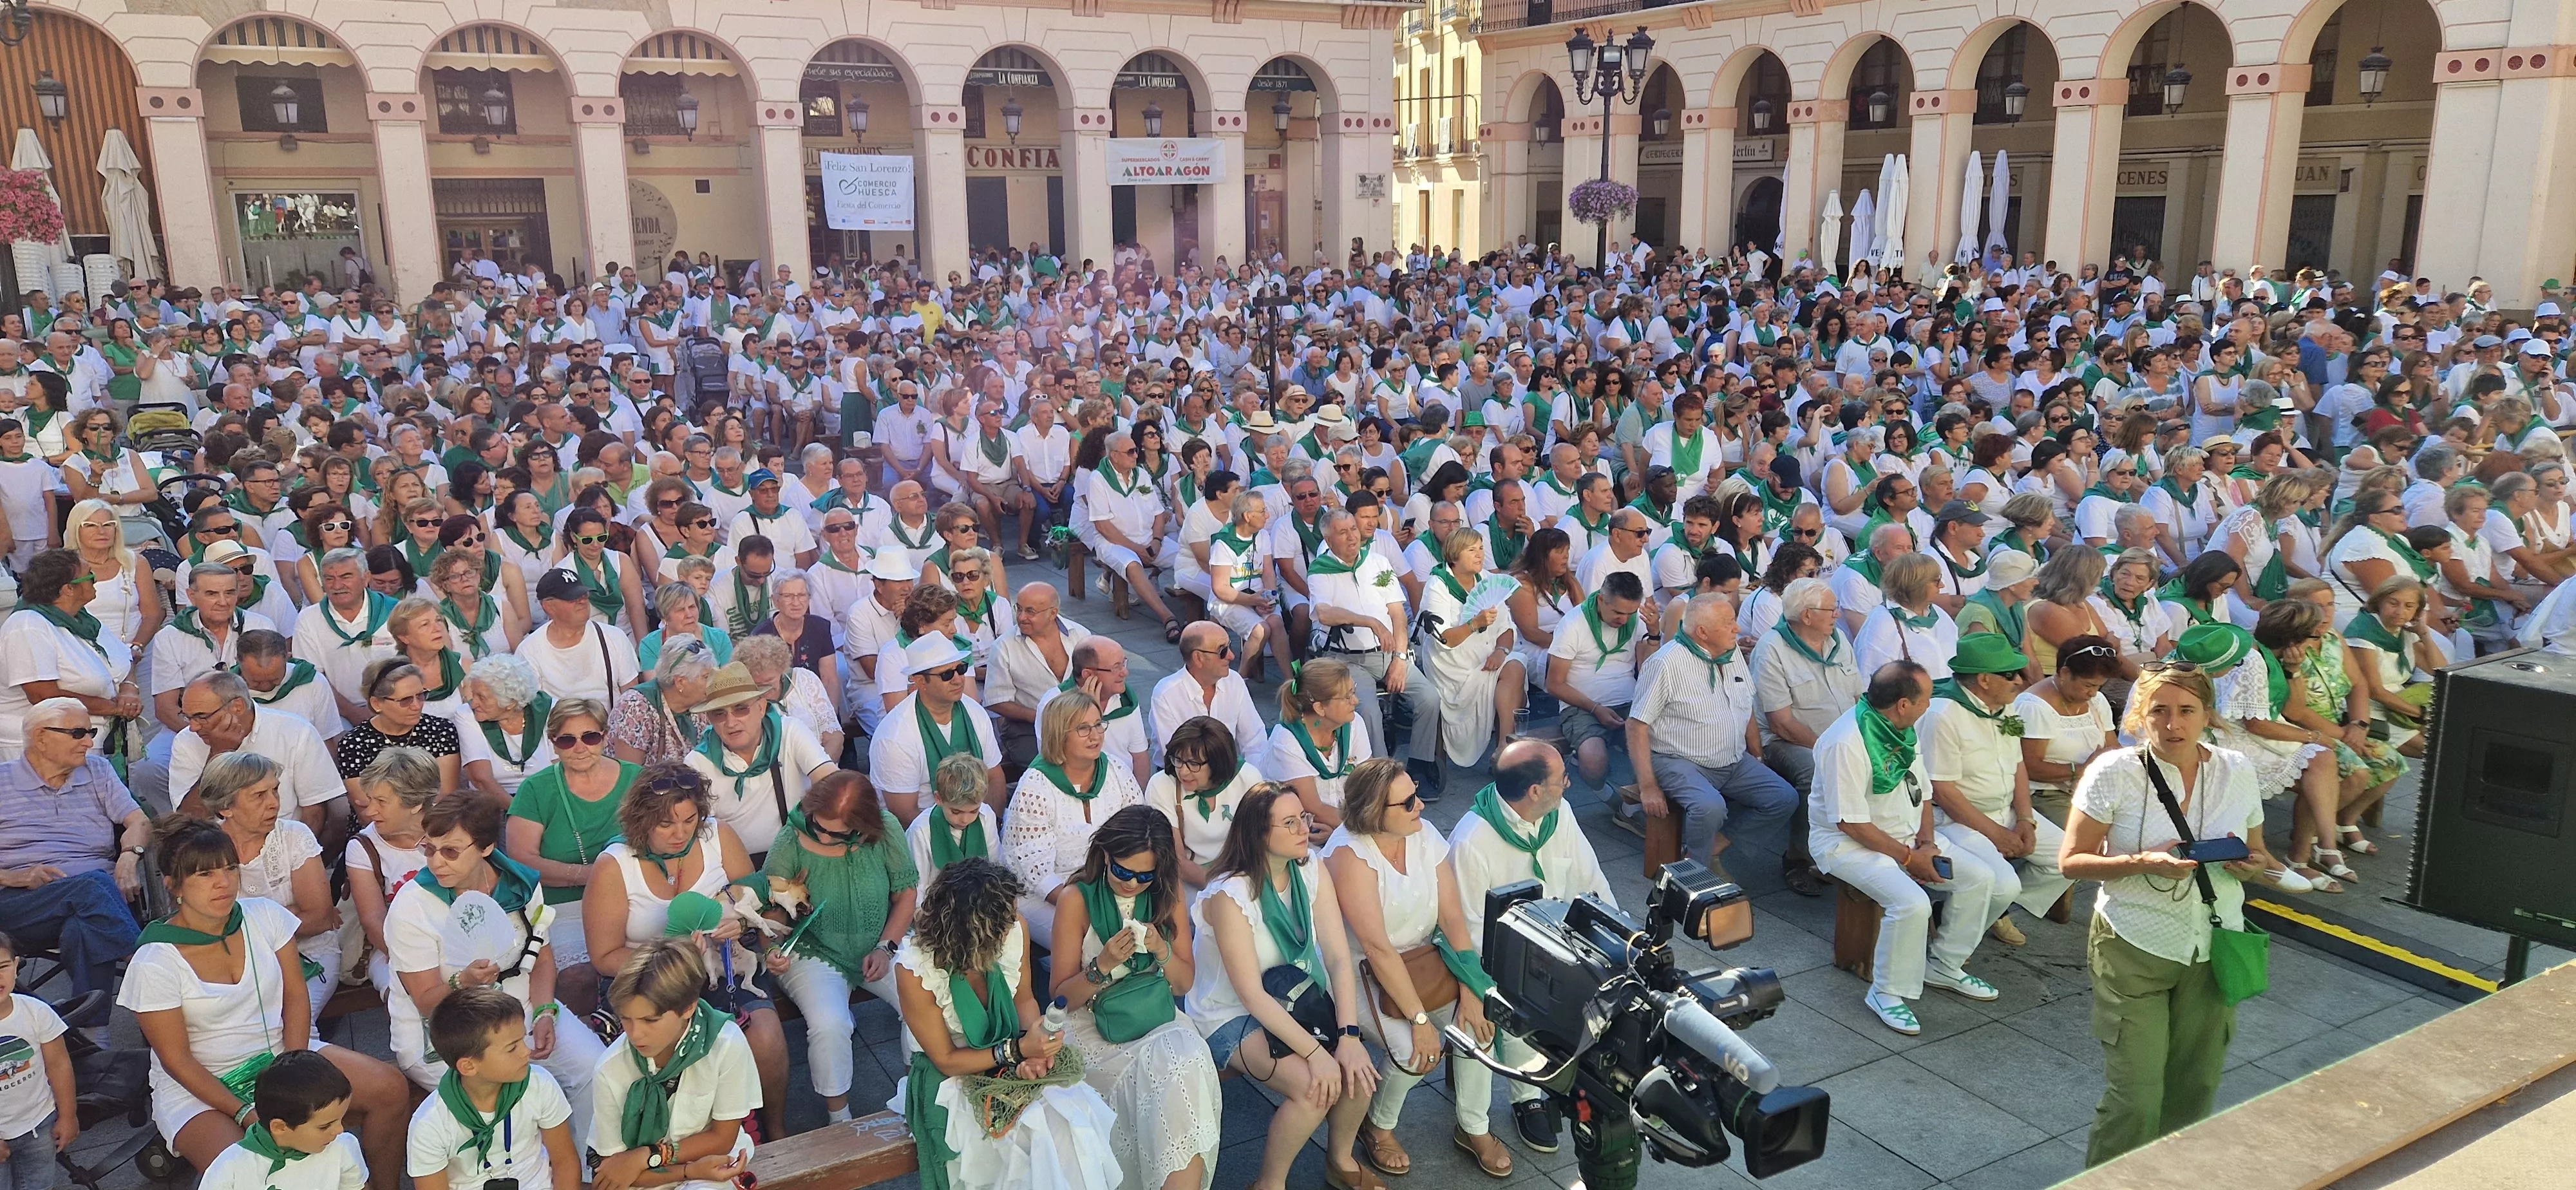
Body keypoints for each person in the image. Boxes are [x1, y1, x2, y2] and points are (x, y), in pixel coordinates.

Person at [2061, 663, 2279, 1166]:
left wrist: (2252, 866)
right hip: (2133, 944)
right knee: (2135, 1099)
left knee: (2194, 1091)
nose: (2173, 725)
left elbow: (2258, 851)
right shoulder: (2113, 772)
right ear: (2140, 714)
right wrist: (2142, 861)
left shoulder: (2236, 769)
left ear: (2209, 715)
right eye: (2159, 711)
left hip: (2211, 948)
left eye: (2186, 711)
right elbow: (2072, 861)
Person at [118, 817, 408, 1188]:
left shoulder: (264, 915)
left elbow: (296, 998)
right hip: (201, 1087)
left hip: (282, 1056)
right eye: (205, 874)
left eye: (230, 869)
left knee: (390, 1089)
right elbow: (177, 1061)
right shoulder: (154, 961)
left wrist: (297, 1069)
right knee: (249, 1169)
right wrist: (245, 1112)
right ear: (173, 884)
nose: (223, 883)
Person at [1182, 783, 1381, 1190]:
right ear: (1259, 834)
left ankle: (1339, 1160)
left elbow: (1340, 957)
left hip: (1293, 994)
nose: (1303, 830)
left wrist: (1348, 1036)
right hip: (1230, 1012)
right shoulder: (1231, 895)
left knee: (1357, 1067)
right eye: (1289, 823)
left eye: (1303, 819)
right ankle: (1269, 1184)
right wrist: (1315, 1053)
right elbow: (1250, 995)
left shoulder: (1309, 866)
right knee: (1313, 1088)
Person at [383, 790, 605, 1153]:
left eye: (451, 851)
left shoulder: (519, 883)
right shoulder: (413, 905)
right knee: (515, 1097)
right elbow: (425, 1001)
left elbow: (542, 959)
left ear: (486, 848)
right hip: (448, 1031)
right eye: (429, 850)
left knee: (594, 1069)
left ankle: (582, 1168)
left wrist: (547, 1013)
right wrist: (462, 982)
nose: (437, 862)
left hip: (523, 1009)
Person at [1324, 758, 1511, 1178]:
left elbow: (1454, 920)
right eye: (1408, 802)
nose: (1421, 806)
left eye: (1417, 795)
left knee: (1480, 1025)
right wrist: (1421, 1019)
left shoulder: (1422, 834)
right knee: (1414, 1051)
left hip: (1425, 961)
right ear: (1375, 812)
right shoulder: (1349, 856)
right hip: (1361, 973)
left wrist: (1470, 989)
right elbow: (1377, 949)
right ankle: (1378, 1126)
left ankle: (1474, 1127)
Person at [582, 764, 790, 1141]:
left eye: (690, 820)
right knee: (668, 1043)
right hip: (647, 981)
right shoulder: (615, 865)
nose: (680, 833)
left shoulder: (718, 837)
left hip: (722, 964)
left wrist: (743, 927)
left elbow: (752, 903)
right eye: (665, 824)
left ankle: (776, 1131)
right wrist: (668, 957)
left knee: (765, 1034)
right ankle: (684, 1139)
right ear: (642, 820)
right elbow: (604, 956)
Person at [1807, 661, 2011, 1034]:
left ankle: (1945, 965)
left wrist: (1928, 843)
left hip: (1909, 837)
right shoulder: (1846, 742)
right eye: (1927, 699)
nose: (1930, 706)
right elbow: (1849, 822)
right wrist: (1907, 858)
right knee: (1912, 903)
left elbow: (1924, 795)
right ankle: (1885, 992)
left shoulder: (1903, 729)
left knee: (1987, 880)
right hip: (1849, 846)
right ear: (1903, 704)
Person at [898, 856, 1121, 1190]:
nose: (1011, 927)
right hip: (952, 1075)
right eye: (1000, 925)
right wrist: (1016, 1051)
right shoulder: (914, 968)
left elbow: (1024, 1001)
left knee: (1074, 1121)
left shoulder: (1014, 928)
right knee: (1031, 1138)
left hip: (1009, 1053)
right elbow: (945, 1059)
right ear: (971, 933)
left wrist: (1037, 1045)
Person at [1044, 805, 1225, 1190]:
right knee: (1172, 1068)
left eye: (1145, 876)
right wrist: (1102, 965)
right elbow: (1060, 1000)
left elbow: (1183, 985)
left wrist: (1161, 949)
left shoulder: (1166, 894)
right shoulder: (1076, 899)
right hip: (1093, 1025)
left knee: (1185, 1060)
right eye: (1122, 871)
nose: (1131, 884)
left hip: (1155, 1013)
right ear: (1105, 855)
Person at [1446, 740, 1613, 1153]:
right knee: (1514, 1004)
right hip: (1491, 956)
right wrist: (1483, 987)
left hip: (1555, 942)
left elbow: (1589, 880)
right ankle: (1501, 1111)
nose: (1569, 785)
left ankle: (1535, 1088)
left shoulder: (1561, 814)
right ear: (1535, 791)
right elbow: (1464, 928)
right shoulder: (1472, 840)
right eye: (1562, 780)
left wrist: (1616, 942)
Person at [756, 770, 916, 1124]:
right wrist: (771, 950)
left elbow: (906, 893)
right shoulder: (792, 838)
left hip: (879, 940)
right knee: (830, 1023)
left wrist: (886, 947)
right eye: (819, 825)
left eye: (837, 832)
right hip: (813, 949)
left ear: (864, 825)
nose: (824, 835)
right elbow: (770, 907)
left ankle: (914, 1092)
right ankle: (839, 1118)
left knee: (924, 1000)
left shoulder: (886, 828)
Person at [1627, 593, 1798, 875]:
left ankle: (1717, 845)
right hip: (1677, 760)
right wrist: (1648, 787)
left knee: (1783, 798)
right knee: (1710, 807)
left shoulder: (1732, 656)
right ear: (1703, 633)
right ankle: (1696, 872)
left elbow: (1747, 709)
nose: (1738, 629)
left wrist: (1756, 754)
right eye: (1729, 623)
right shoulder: (1666, 663)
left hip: (1732, 759)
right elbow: (1636, 725)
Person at [1925, 633, 2075, 948]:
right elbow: (1943, 792)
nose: (2021, 680)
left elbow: (2018, 764)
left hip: (2005, 810)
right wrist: (1997, 834)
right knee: (2000, 883)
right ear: (1983, 680)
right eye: (2010, 674)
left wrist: (2025, 819)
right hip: (1959, 821)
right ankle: (1956, 938)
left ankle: (1984, 914)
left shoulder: (2003, 706)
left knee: (2068, 859)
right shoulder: (1943, 715)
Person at [585, 942, 762, 1190]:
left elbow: (722, 1139)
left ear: (689, 1007)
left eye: (651, 1020)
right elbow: (616, 1172)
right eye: (626, 1019)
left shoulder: (725, 1042)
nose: (636, 1035)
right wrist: (685, 1171)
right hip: (650, 1179)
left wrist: (646, 1156)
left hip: (709, 1168)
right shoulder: (610, 1068)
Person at [504, 697, 636, 1014]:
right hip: (565, 905)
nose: (580, 747)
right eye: (567, 740)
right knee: (578, 976)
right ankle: (581, 1039)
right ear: (554, 744)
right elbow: (522, 861)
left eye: (591, 737)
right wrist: (592, 875)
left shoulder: (638, 779)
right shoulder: (537, 789)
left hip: (633, 896)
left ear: (606, 736)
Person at [187, 753, 343, 1014]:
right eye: (259, 796)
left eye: (275, 791)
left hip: (307, 957)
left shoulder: (294, 837)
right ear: (226, 808)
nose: (274, 804)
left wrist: (237, 927)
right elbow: (198, 926)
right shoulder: (203, 847)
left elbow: (319, 918)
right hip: (231, 965)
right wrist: (286, 917)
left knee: (293, 1026)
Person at [1748, 577, 1863, 897]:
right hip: (1787, 742)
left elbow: (1859, 698)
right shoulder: (1772, 649)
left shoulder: (1838, 641)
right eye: (1831, 609)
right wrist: (1830, 749)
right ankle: (1797, 857)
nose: (1837, 615)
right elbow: (1781, 723)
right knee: (1815, 772)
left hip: (1841, 738)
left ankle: (1852, 852)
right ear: (1807, 616)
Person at [406, 986, 583, 1190]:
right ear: (469, 1066)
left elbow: (565, 1162)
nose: (527, 1051)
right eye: (512, 1048)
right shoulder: (429, 1124)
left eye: (523, 1040)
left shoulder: (539, 1084)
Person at [1004, 690, 1148, 940]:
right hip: (1049, 894)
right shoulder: (1036, 785)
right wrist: (1091, 908)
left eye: (1098, 725)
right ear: (1059, 735)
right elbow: (1035, 873)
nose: (1095, 736)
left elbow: (1139, 835)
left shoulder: (1116, 771)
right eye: (1083, 729)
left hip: (1117, 883)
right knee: (1093, 938)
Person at [683, 662, 837, 858]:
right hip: (735, 865)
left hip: (801, 853)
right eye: (719, 713)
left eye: (740, 709)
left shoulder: (789, 732)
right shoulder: (698, 763)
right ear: (709, 719)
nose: (731, 722)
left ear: (762, 707)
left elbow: (831, 783)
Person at [0, 547, 138, 762]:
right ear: (68, 590)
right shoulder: (27, 626)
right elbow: (43, 696)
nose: (95, 579)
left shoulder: (82, 619)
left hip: (92, 744)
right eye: (89, 574)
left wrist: (129, 692)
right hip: (42, 751)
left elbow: (125, 659)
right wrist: (114, 708)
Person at [1545, 570, 1660, 792]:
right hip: (1582, 707)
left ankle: (1635, 804)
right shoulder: (1573, 624)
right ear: (1601, 599)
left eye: (1630, 613)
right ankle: (1608, 796)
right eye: (1617, 612)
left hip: (1630, 701)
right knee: (1595, 763)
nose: (1624, 619)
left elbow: (1647, 670)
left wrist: (1654, 635)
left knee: (1660, 750)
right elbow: (1554, 684)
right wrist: (1596, 709)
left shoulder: (1634, 620)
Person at [869, 636, 1003, 820]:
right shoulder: (895, 736)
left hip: (979, 822)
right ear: (921, 682)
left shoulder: (975, 712)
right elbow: (905, 814)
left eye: (961, 669)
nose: (958, 680)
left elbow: (994, 777)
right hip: (924, 835)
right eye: (946, 675)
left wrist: (989, 825)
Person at [196, 1052, 365, 1190]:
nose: (339, 1130)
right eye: (325, 1126)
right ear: (279, 1127)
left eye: (340, 1119)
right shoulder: (229, 1169)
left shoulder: (343, 1147)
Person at [346, 748, 437, 997]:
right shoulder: (364, 847)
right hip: (392, 950)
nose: (370, 811)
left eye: (381, 802)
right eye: (370, 799)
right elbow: (373, 921)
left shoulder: (454, 831)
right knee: (402, 995)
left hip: (456, 943)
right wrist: (418, 965)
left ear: (416, 804)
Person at [2014, 636, 2125, 830]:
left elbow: (2111, 745)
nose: (2093, 693)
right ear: (2065, 673)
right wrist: (2081, 770)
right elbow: (2029, 767)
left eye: (2099, 686)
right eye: (2089, 685)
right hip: (2047, 795)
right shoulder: (2034, 707)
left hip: (2094, 789)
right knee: (2090, 836)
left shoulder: (2097, 701)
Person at [0, 929, 76, 1188]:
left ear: (16, 965)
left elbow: (59, 1065)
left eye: (3, 966)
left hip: (39, 1124)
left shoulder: (35, 1012)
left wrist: (68, 1115)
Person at [1265, 657, 1374, 838]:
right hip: (1301, 833)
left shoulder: (1355, 723)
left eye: (1353, 691)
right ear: (1320, 708)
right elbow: (1313, 807)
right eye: (1347, 697)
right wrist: (1365, 831)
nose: (1355, 701)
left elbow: (1368, 783)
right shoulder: (1287, 740)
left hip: (1344, 826)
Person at [1150, 621, 1273, 774]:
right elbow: (1177, 758)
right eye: (1222, 651)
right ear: (1198, 658)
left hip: (1229, 774)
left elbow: (1255, 742)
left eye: (1230, 647)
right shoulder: (1166, 695)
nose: (1231, 656)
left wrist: (1254, 781)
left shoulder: (1234, 681)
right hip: (1181, 778)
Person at [336, 658, 464, 802]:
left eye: (421, 696)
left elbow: (446, 796)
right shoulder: (354, 744)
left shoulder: (441, 731)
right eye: (406, 700)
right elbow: (367, 808)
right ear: (377, 703)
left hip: (436, 821)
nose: (417, 706)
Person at [517, 569, 641, 704]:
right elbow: (533, 709)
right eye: (573, 598)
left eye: (584, 595)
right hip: (557, 723)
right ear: (549, 607)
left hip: (611, 723)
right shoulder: (529, 651)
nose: (582, 601)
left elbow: (632, 701)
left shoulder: (614, 637)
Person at [457, 654, 554, 798]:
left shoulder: (549, 710)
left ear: (511, 703)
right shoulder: (466, 715)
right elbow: (481, 780)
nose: (474, 703)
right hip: (492, 803)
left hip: (547, 797)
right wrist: (520, 813)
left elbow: (562, 770)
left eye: (482, 697)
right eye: (474, 695)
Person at [608, 636, 716, 766]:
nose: (713, 681)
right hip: (646, 786)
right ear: (680, 682)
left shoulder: (703, 702)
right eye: (706, 677)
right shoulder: (635, 707)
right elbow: (628, 774)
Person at [905, 753, 1001, 883]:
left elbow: (995, 865)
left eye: (974, 811)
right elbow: (919, 886)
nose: (965, 820)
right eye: (956, 812)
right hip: (937, 901)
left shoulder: (987, 816)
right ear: (939, 798)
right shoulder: (920, 830)